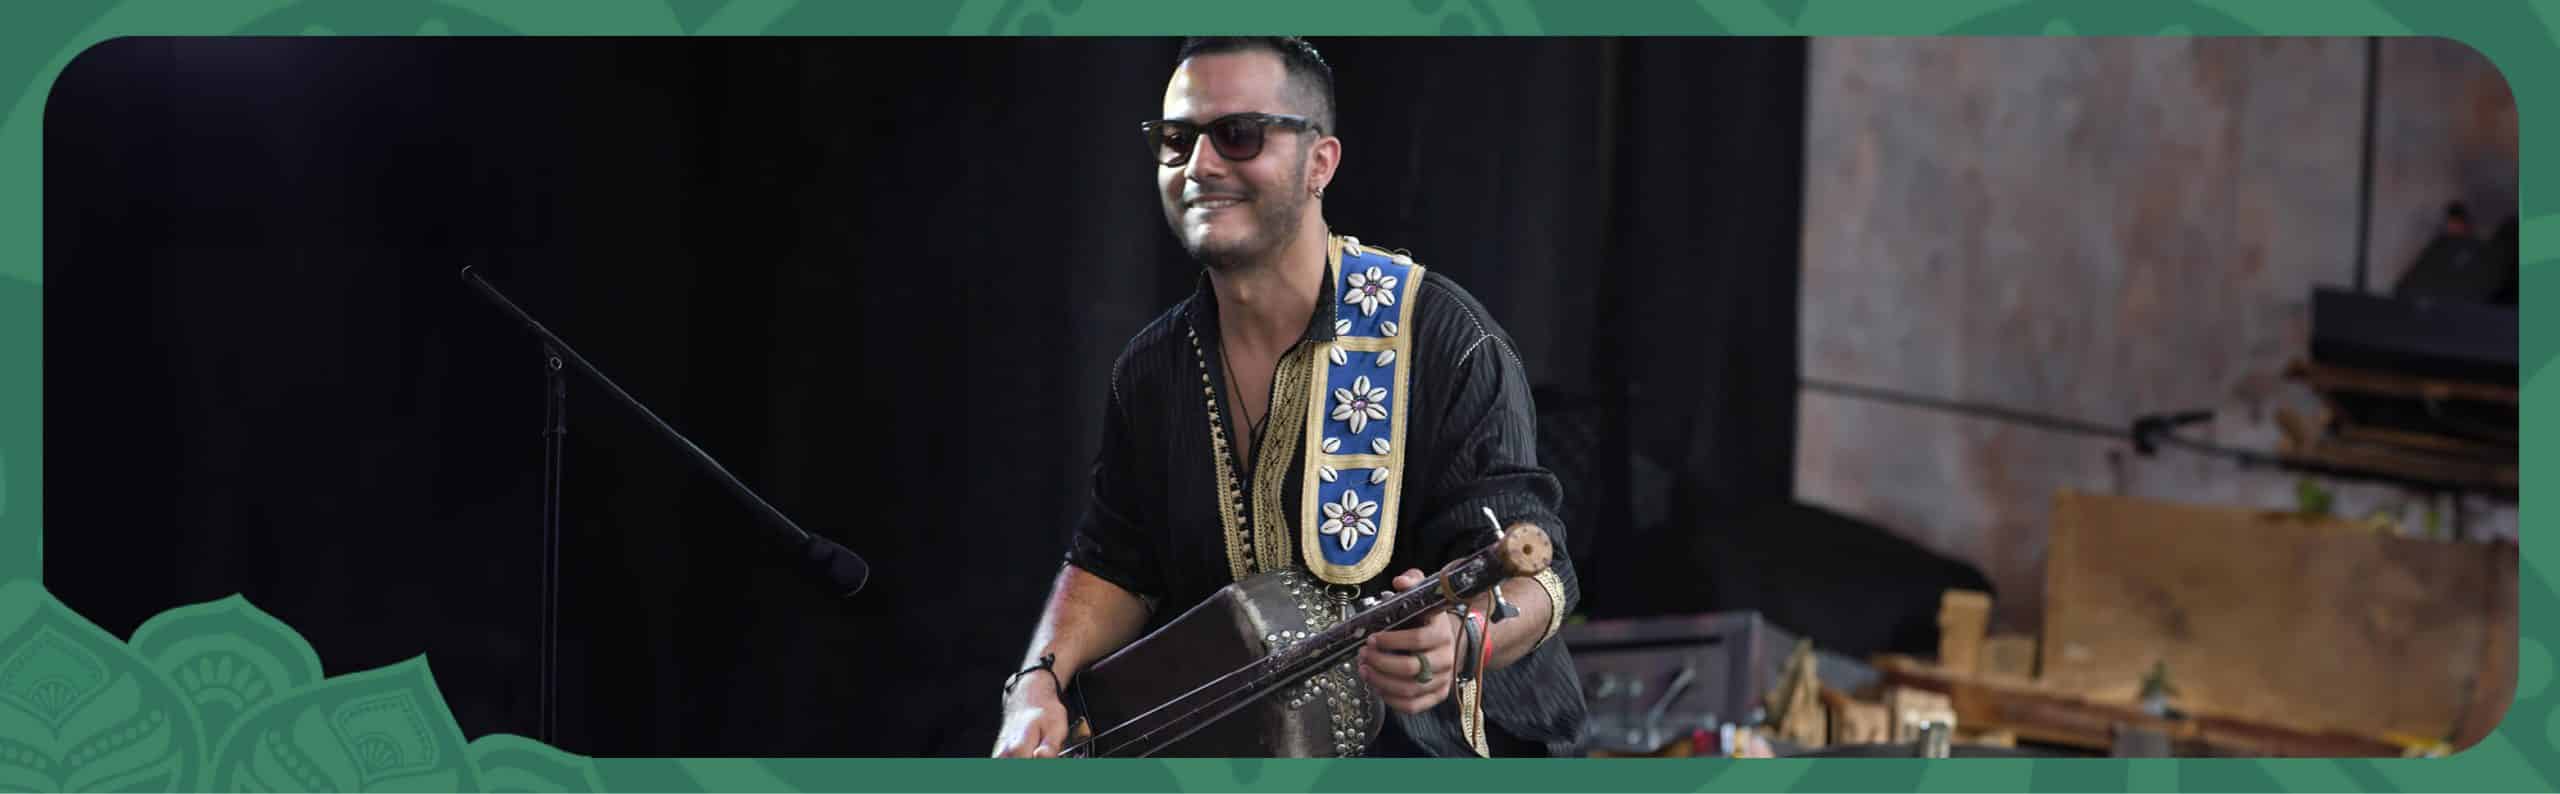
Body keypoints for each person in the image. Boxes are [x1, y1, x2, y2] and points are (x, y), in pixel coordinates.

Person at [992, 36, 1584, 759]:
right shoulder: (1151, 371)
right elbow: (1114, 560)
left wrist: (1465, 638)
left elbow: (1541, 567)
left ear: (1319, 162)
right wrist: (1035, 684)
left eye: (1238, 135)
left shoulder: (1443, 337)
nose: (1200, 165)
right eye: (1177, 140)